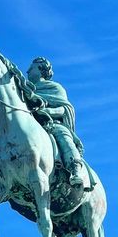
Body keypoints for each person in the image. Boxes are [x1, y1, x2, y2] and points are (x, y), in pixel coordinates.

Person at [25, 56, 90, 189]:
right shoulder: (24, 90)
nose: (27, 71)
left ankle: (75, 169)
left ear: (41, 69)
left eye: (31, 68)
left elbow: (64, 109)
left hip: (51, 124)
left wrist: (46, 111)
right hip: (28, 127)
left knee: (63, 137)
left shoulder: (55, 88)